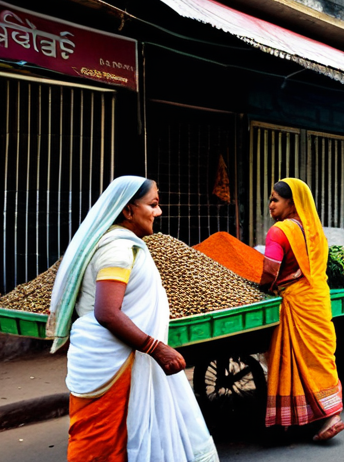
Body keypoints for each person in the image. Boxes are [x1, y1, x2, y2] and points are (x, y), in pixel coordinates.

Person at [47, 176, 218, 462]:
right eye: (153, 205)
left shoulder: (119, 244)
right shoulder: (118, 249)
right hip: (112, 362)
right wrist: (157, 348)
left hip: (106, 358)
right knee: (98, 442)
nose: (159, 212)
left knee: (116, 439)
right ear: (128, 210)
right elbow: (107, 312)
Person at [260, 179, 344, 441]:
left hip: (295, 302)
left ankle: (318, 417)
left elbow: (270, 269)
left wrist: (264, 287)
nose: (270, 205)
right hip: (318, 299)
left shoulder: (279, 231)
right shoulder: (316, 231)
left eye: (275, 200)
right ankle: (329, 414)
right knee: (319, 358)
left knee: (290, 359)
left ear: (291, 203)